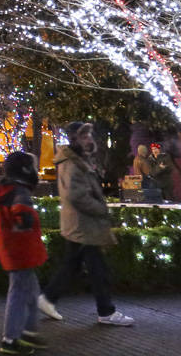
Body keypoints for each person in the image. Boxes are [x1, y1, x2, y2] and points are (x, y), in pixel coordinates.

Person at [37, 121, 135, 326]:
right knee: (98, 269)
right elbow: (77, 196)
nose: (89, 139)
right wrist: (101, 209)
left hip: (79, 223)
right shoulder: (73, 164)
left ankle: (48, 298)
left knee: (73, 264)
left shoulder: (76, 160)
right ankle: (106, 311)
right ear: (74, 139)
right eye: (84, 136)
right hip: (83, 223)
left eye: (89, 135)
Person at [0, 152, 49, 355]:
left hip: (12, 250)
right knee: (19, 293)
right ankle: (10, 339)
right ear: (25, 170)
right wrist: (26, 222)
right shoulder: (20, 192)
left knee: (30, 291)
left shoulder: (4, 190)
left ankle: (28, 332)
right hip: (21, 252)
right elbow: (22, 217)